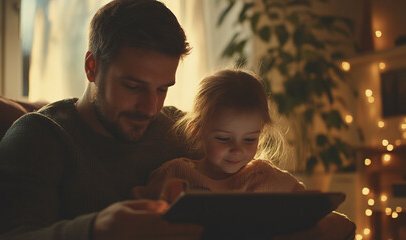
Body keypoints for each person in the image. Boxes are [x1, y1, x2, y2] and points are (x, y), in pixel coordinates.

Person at [0, 0, 203, 239]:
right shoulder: (38, 138)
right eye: (133, 86)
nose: (151, 109)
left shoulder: (179, 130)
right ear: (92, 67)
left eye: (162, 89)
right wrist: (96, 229)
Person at [133, 69, 356, 240]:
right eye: (223, 138)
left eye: (250, 139)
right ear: (196, 130)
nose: (238, 149)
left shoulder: (267, 178)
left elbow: (340, 225)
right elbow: (133, 221)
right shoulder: (174, 173)